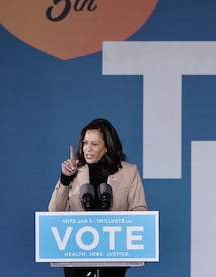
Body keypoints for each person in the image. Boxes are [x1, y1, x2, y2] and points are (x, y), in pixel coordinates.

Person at [48, 118, 147, 277]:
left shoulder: (129, 172)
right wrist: (65, 178)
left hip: (113, 257)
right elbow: (54, 212)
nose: (88, 149)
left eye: (94, 144)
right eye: (85, 143)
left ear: (107, 147)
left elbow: (140, 210)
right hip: (76, 256)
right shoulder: (74, 171)